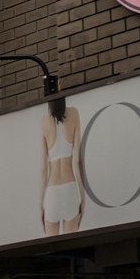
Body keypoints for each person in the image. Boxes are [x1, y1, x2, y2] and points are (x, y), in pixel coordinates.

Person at [39, 96, 84, 236]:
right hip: (70, 190)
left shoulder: (44, 121)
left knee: (52, 247)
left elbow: (43, 169)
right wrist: (83, 198)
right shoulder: (74, 114)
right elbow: (77, 162)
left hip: (52, 193)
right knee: (72, 245)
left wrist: (40, 206)